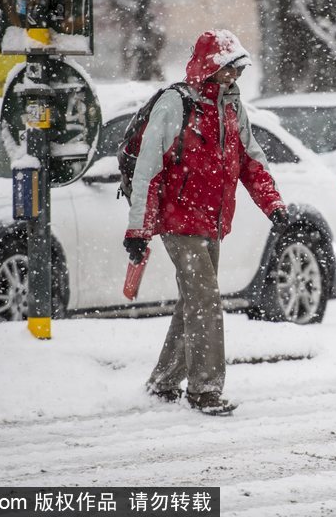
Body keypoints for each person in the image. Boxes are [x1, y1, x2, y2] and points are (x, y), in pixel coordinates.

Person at [123, 29, 288, 416]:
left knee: (193, 304)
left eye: (237, 70)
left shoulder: (231, 107)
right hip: (178, 220)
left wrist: (273, 204)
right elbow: (149, 170)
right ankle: (204, 390)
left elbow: (251, 160)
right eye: (228, 69)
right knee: (206, 303)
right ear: (210, 67)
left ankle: (162, 383)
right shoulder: (174, 104)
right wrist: (139, 230)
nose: (234, 76)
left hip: (211, 221)